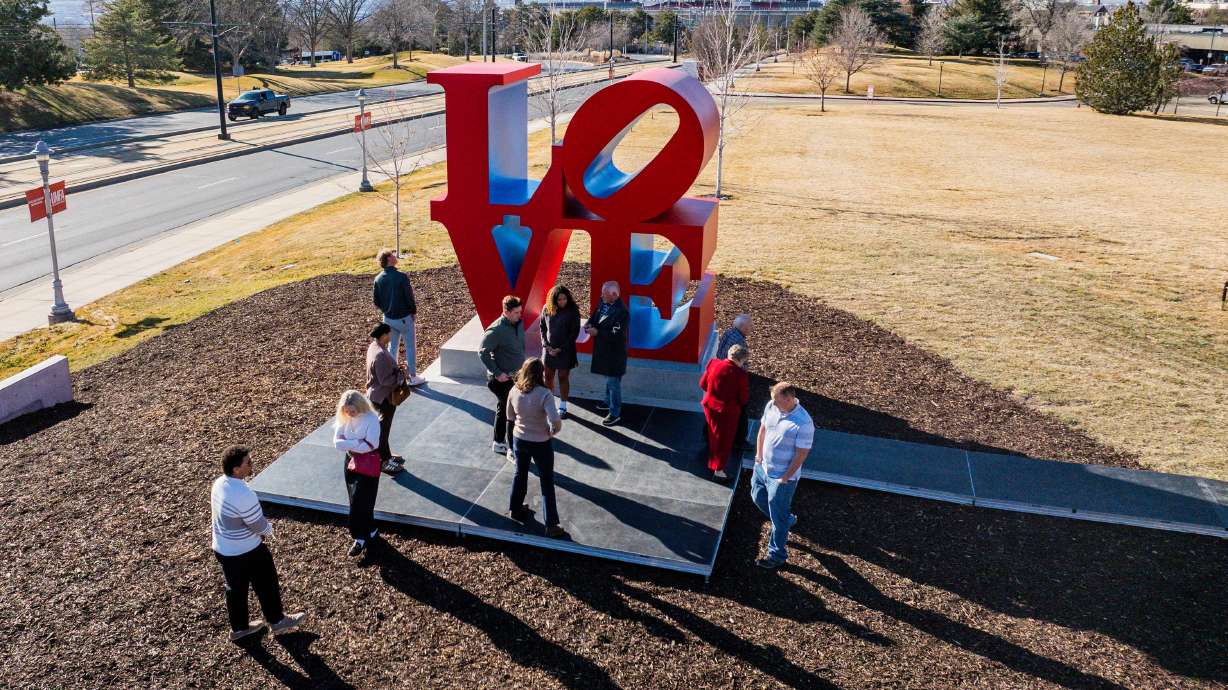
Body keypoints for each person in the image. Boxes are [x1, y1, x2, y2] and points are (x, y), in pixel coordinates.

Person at [211, 446, 307, 642]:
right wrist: (269, 532)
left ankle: (239, 629)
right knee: (266, 583)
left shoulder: (219, 484)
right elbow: (259, 525)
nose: (251, 464)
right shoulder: (244, 494)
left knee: (235, 589)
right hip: (246, 550)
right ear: (237, 469)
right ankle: (277, 621)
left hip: (223, 548)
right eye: (248, 462)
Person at [750, 381, 814, 570]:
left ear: (789, 398)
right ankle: (787, 520)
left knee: (777, 517)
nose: (773, 403)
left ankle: (776, 555)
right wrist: (758, 457)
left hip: (781, 478)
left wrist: (785, 477)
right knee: (757, 497)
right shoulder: (772, 406)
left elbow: (802, 454)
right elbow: (762, 430)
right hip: (762, 468)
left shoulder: (803, 423)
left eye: (777, 400)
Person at [506, 359, 566, 538]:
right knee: (546, 481)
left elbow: (510, 416)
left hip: (520, 439)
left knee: (520, 474)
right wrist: (553, 431)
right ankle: (551, 524)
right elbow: (555, 420)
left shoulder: (514, 390)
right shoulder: (544, 394)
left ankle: (515, 510)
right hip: (540, 442)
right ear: (541, 373)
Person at [333, 390, 384, 558]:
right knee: (356, 499)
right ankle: (371, 529)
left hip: (367, 464)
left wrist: (348, 444)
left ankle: (359, 538)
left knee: (360, 501)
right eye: (347, 411)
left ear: (360, 406)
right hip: (351, 463)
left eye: (352, 411)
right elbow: (336, 442)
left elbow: (371, 445)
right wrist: (357, 443)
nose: (349, 414)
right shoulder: (345, 417)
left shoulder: (371, 419)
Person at [479, 295, 526, 460]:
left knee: (505, 409)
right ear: (506, 312)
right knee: (510, 411)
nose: (520, 315)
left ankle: (499, 441)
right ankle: (508, 448)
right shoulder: (496, 330)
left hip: (516, 376)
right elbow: (482, 352)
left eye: (520, 311)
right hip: (501, 380)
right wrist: (498, 373)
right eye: (516, 312)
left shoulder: (518, 324)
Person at [373, 249, 425, 386]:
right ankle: (412, 376)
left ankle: (394, 377)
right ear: (389, 259)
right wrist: (413, 311)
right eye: (392, 254)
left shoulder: (378, 279)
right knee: (410, 346)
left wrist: (386, 310)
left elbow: (376, 302)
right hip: (403, 318)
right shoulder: (401, 276)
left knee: (393, 347)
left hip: (388, 319)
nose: (395, 256)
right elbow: (409, 297)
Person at [700, 344, 750, 481]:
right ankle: (718, 469)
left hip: (709, 406)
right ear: (741, 360)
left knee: (713, 433)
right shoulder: (740, 375)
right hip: (727, 412)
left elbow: (703, 384)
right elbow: (743, 398)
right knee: (724, 440)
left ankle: (711, 458)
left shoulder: (713, 363)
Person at [584, 280, 629, 427]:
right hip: (604, 351)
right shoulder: (603, 303)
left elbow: (616, 334)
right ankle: (608, 401)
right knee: (608, 378)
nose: (601, 295)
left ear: (614, 295)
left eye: (604, 293)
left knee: (613, 382)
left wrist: (597, 332)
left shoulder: (622, 312)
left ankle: (614, 413)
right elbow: (596, 314)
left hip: (615, 354)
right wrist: (589, 323)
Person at [366, 323, 406, 475]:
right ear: (383, 335)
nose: (391, 336)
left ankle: (387, 455)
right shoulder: (381, 355)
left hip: (376, 395)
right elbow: (385, 380)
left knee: (383, 429)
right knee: (382, 430)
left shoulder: (373, 347)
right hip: (383, 398)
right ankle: (383, 462)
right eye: (389, 334)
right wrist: (402, 376)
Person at [539, 284, 581, 417]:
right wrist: (546, 345)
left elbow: (574, 333)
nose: (562, 302)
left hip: (565, 350)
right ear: (554, 300)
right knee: (548, 378)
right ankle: (549, 404)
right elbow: (542, 328)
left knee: (563, 377)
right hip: (549, 351)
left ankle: (563, 406)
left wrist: (560, 349)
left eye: (564, 299)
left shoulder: (573, 310)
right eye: (559, 299)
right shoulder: (546, 308)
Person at [717, 314, 753, 449]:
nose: (752, 329)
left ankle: (707, 433)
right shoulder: (740, 342)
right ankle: (739, 440)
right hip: (731, 381)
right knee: (742, 412)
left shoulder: (729, 332)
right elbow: (740, 364)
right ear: (743, 327)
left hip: (720, 374)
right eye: (750, 326)